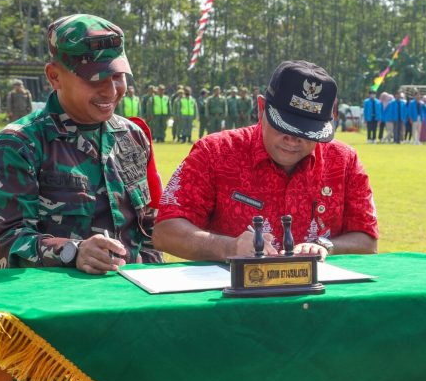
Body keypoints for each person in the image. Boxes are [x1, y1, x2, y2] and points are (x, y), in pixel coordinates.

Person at [0, 13, 162, 381]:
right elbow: (6, 243)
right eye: (95, 78)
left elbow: (147, 231)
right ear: (54, 76)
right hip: (52, 353)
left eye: (118, 75)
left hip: (124, 347)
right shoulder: (18, 143)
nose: (111, 89)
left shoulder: (132, 137)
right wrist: (72, 251)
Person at [153, 61, 378, 260]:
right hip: (231, 292)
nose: (293, 140)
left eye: (307, 133)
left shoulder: (344, 161)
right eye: (284, 127)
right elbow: (166, 231)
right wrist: (228, 247)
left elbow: (367, 240)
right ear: (262, 109)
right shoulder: (215, 152)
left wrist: (326, 246)